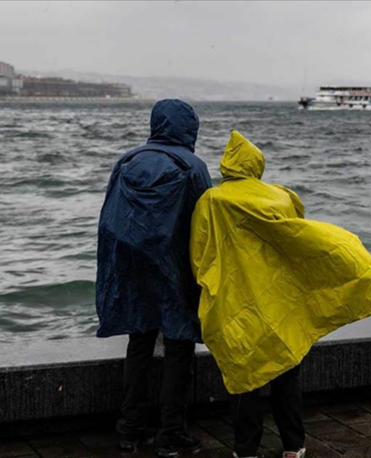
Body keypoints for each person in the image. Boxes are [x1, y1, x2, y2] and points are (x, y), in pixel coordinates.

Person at [190, 130, 371, 458]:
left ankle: (246, 450)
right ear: (257, 165)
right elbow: (296, 240)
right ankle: (293, 446)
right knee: (286, 372)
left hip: (236, 304)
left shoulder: (211, 201)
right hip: (279, 301)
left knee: (244, 377)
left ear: (226, 165)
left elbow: (200, 254)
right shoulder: (281, 196)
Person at [96, 99, 212, 457]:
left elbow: (108, 217)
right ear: (189, 128)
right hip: (173, 268)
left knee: (140, 342)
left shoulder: (127, 160)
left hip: (131, 267)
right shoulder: (192, 166)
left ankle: (130, 429)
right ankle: (171, 434)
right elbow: (204, 224)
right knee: (178, 348)